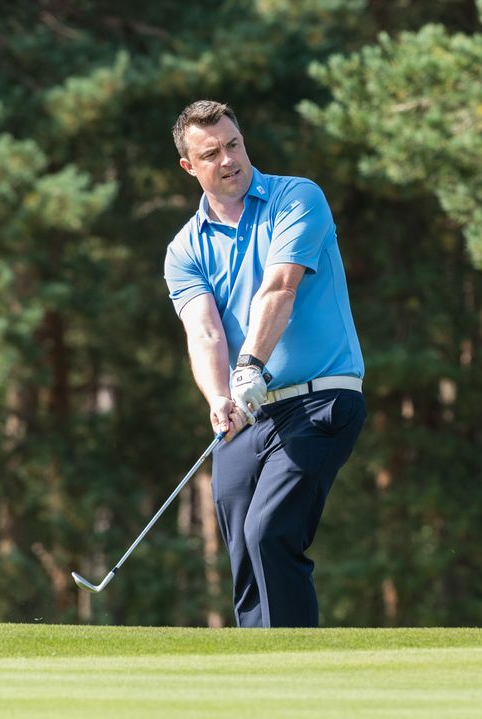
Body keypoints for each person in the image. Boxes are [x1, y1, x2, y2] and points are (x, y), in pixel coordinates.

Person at [163, 100, 366, 628]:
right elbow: (204, 331)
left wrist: (249, 363)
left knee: (269, 532)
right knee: (241, 539)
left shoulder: (296, 197)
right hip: (250, 414)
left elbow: (279, 288)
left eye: (234, 144)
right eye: (212, 153)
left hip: (322, 397)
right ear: (190, 167)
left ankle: (293, 673)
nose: (229, 159)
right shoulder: (184, 248)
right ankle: (259, 671)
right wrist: (218, 398)